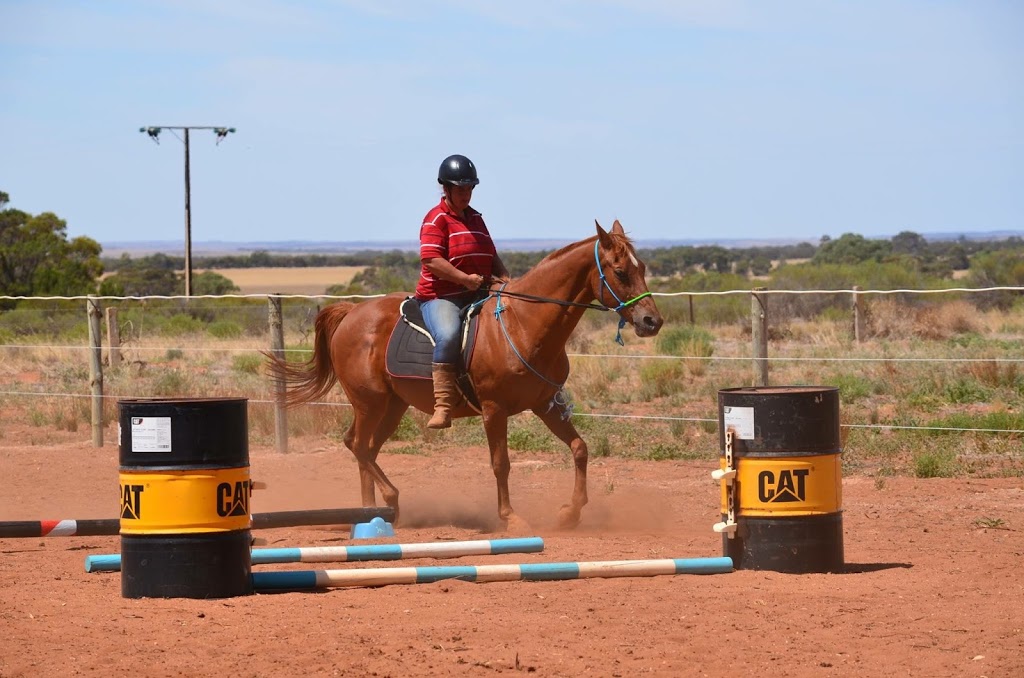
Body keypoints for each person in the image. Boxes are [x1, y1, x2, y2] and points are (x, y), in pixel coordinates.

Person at [415, 154, 510, 429]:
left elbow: (491, 254)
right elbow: (432, 260)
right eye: (460, 189)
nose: (466, 194)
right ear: (445, 189)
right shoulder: (436, 219)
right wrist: (464, 279)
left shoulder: (476, 218)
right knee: (449, 334)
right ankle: (443, 405)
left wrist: (505, 280)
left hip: (477, 291)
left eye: (469, 188)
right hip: (442, 296)